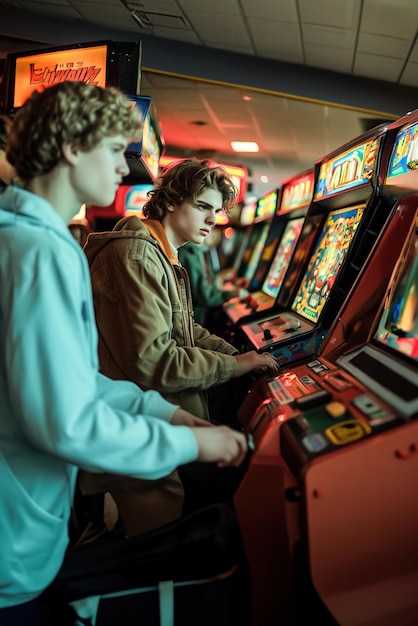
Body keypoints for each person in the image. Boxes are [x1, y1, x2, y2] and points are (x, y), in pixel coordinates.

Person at [0, 81, 249, 625]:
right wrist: (187, 444)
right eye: (115, 150)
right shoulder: (35, 248)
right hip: (13, 540)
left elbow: (75, 381)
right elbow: (65, 421)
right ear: (71, 148)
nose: (124, 169)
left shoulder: (31, 238)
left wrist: (161, 411)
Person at [81, 158, 279, 533]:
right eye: (202, 206)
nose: (212, 220)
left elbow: (185, 331)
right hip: (137, 432)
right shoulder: (138, 256)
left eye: (216, 210)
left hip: (151, 423)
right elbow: (155, 360)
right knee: (156, 551)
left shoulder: (161, 255)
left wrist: (242, 357)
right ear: (171, 201)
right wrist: (237, 366)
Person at [178, 230, 249, 332]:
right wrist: (231, 293)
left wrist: (226, 281)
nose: (214, 232)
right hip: (192, 318)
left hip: (195, 315)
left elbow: (208, 281)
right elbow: (204, 296)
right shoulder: (189, 253)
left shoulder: (202, 251)